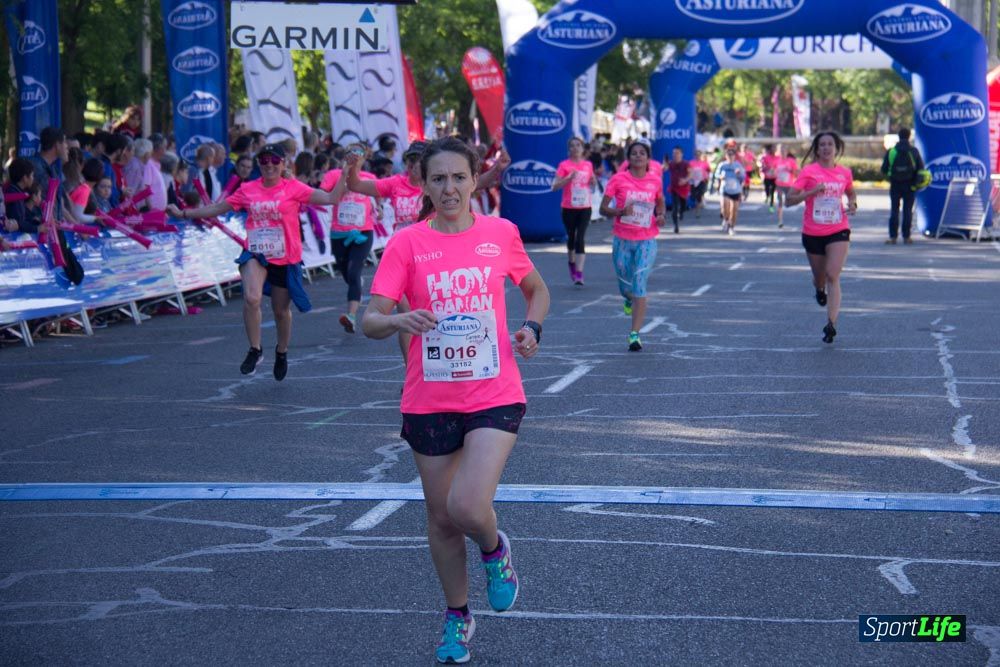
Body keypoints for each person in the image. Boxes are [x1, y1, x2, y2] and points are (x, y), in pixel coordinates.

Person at [361, 136, 550, 665]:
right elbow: (370, 319)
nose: (449, 188)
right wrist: (398, 318)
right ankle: (457, 616)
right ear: (423, 183)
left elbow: (537, 289)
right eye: (438, 179)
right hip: (429, 398)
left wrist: (532, 327)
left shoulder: (500, 233)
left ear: (475, 181)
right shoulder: (406, 244)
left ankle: (495, 548)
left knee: (466, 506)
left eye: (459, 178)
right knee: (441, 519)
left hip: (494, 390)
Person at [166, 143, 346, 380]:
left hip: (285, 257)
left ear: (283, 164)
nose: (269, 165)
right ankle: (255, 349)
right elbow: (218, 208)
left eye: (274, 160)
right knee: (252, 297)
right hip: (256, 253)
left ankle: (281, 352)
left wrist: (348, 171)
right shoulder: (248, 189)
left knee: (281, 311)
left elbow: (332, 198)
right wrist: (184, 213)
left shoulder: (294, 187)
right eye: (264, 161)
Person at [786, 131, 857, 345]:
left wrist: (852, 203)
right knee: (820, 278)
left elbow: (851, 192)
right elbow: (789, 200)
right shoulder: (809, 172)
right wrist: (811, 192)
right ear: (817, 149)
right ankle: (818, 289)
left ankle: (831, 324)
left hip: (838, 229)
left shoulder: (844, 173)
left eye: (830, 144)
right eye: (822, 145)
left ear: (836, 148)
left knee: (832, 274)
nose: (826, 148)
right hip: (813, 232)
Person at [600, 140, 667, 351]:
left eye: (642, 153)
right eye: (634, 153)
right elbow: (603, 209)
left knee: (639, 282)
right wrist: (619, 212)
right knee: (624, 284)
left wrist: (661, 214)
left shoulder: (654, 180)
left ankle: (634, 334)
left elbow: (660, 201)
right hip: (622, 239)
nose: (638, 156)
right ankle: (627, 298)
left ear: (648, 158)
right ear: (628, 158)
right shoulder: (618, 179)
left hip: (646, 240)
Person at [320, 147, 379, 334]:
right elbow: (324, 196)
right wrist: (345, 181)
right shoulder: (333, 175)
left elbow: (379, 195)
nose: (354, 159)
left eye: (358, 156)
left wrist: (380, 207)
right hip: (339, 234)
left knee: (353, 272)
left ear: (364, 159)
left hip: (363, 232)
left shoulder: (370, 177)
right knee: (346, 273)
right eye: (351, 156)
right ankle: (355, 284)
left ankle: (351, 316)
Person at [551, 136, 596, 285]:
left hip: (585, 206)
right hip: (568, 207)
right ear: (569, 149)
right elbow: (554, 186)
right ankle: (571, 263)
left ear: (583, 149)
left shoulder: (588, 165)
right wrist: (568, 178)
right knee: (571, 237)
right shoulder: (564, 165)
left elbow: (593, 183)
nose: (575, 148)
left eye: (578, 145)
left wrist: (593, 182)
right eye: (572, 146)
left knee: (580, 237)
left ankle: (579, 272)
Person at [880, 127, 924, 245]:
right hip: (910, 185)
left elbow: (883, 169)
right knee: (907, 211)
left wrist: (891, 176)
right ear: (909, 136)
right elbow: (921, 168)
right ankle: (906, 236)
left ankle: (893, 237)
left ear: (898, 136)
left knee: (894, 210)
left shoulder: (892, 151)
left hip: (895, 184)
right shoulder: (914, 151)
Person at [714, 147, 746, 236]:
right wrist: (720, 177)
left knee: (734, 210)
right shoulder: (722, 165)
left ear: (735, 156)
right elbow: (716, 174)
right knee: (725, 208)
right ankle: (725, 219)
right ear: (726, 156)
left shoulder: (738, 165)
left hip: (736, 190)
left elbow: (743, 178)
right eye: (729, 155)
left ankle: (731, 227)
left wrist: (739, 174)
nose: (730, 157)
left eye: (732, 155)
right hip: (725, 189)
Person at [666, 146, 690, 234]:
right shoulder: (671, 164)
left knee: (683, 205)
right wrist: (664, 163)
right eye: (674, 153)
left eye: (677, 153)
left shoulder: (685, 164)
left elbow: (690, 174)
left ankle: (682, 211)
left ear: (681, 154)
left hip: (683, 188)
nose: (675, 155)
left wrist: (685, 180)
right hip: (674, 188)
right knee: (674, 208)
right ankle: (676, 226)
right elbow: (664, 168)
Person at [774, 149, 798, 229]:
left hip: (788, 184)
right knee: (780, 203)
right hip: (779, 184)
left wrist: (790, 170)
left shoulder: (791, 161)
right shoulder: (777, 161)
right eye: (781, 152)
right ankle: (780, 221)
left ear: (787, 153)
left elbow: (796, 173)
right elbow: (773, 170)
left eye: (784, 152)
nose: (782, 153)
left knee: (789, 202)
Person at [688, 150, 712, 217]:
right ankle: (698, 203)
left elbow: (709, 170)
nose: (698, 156)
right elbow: (688, 170)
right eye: (696, 155)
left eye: (699, 155)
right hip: (693, 181)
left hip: (702, 181)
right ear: (695, 155)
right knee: (693, 196)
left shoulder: (704, 163)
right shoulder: (691, 163)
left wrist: (706, 175)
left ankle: (697, 211)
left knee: (699, 195)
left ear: (701, 156)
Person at [759, 144, 781, 213]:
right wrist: (768, 168)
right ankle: (767, 196)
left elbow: (780, 166)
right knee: (767, 190)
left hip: (774, 177)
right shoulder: (765, 157)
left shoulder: (778, 157)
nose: (774, 150)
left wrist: (775, 169)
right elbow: (762, 166)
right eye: (773, 148)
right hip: (767, 176)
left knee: (772, 191)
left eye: (775, 148)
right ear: (770, 149)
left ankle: (771, 206)